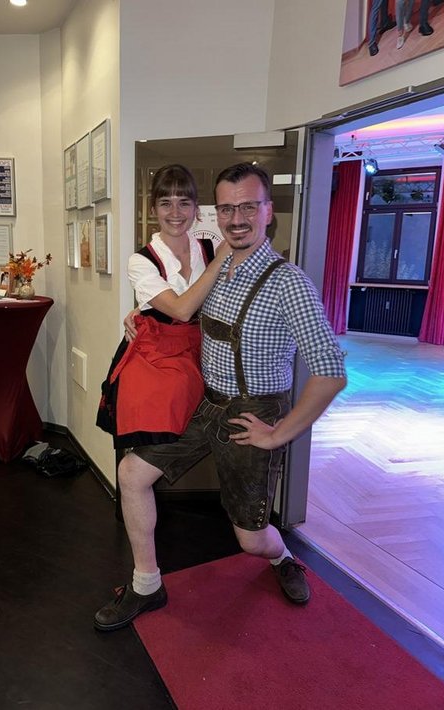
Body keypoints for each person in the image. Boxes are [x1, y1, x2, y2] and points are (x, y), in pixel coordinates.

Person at [94, 163, 347, 632]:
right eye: (228, 208)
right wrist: (139, 311)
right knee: (132, 473)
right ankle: (146, 584)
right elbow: (181, 308)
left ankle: (283, 557)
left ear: (268, 211)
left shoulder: (289, 282)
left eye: (248, 206)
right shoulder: (219, 264)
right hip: (206, 401)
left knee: (251, 540)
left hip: (254, 414)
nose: (237, 218)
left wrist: (278, 436)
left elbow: (330, 373)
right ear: (216, 213)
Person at [96, 164, 231, 450]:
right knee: (149, 449)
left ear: (196, 209)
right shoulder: (141, 260)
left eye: (184, 203)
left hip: (207, 355)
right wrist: (219, 262)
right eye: (165, 203)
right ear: (154, 209)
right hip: (157, 360)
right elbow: (181, 310)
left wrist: (142, 308)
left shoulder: (209, 249)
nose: (175, 212)